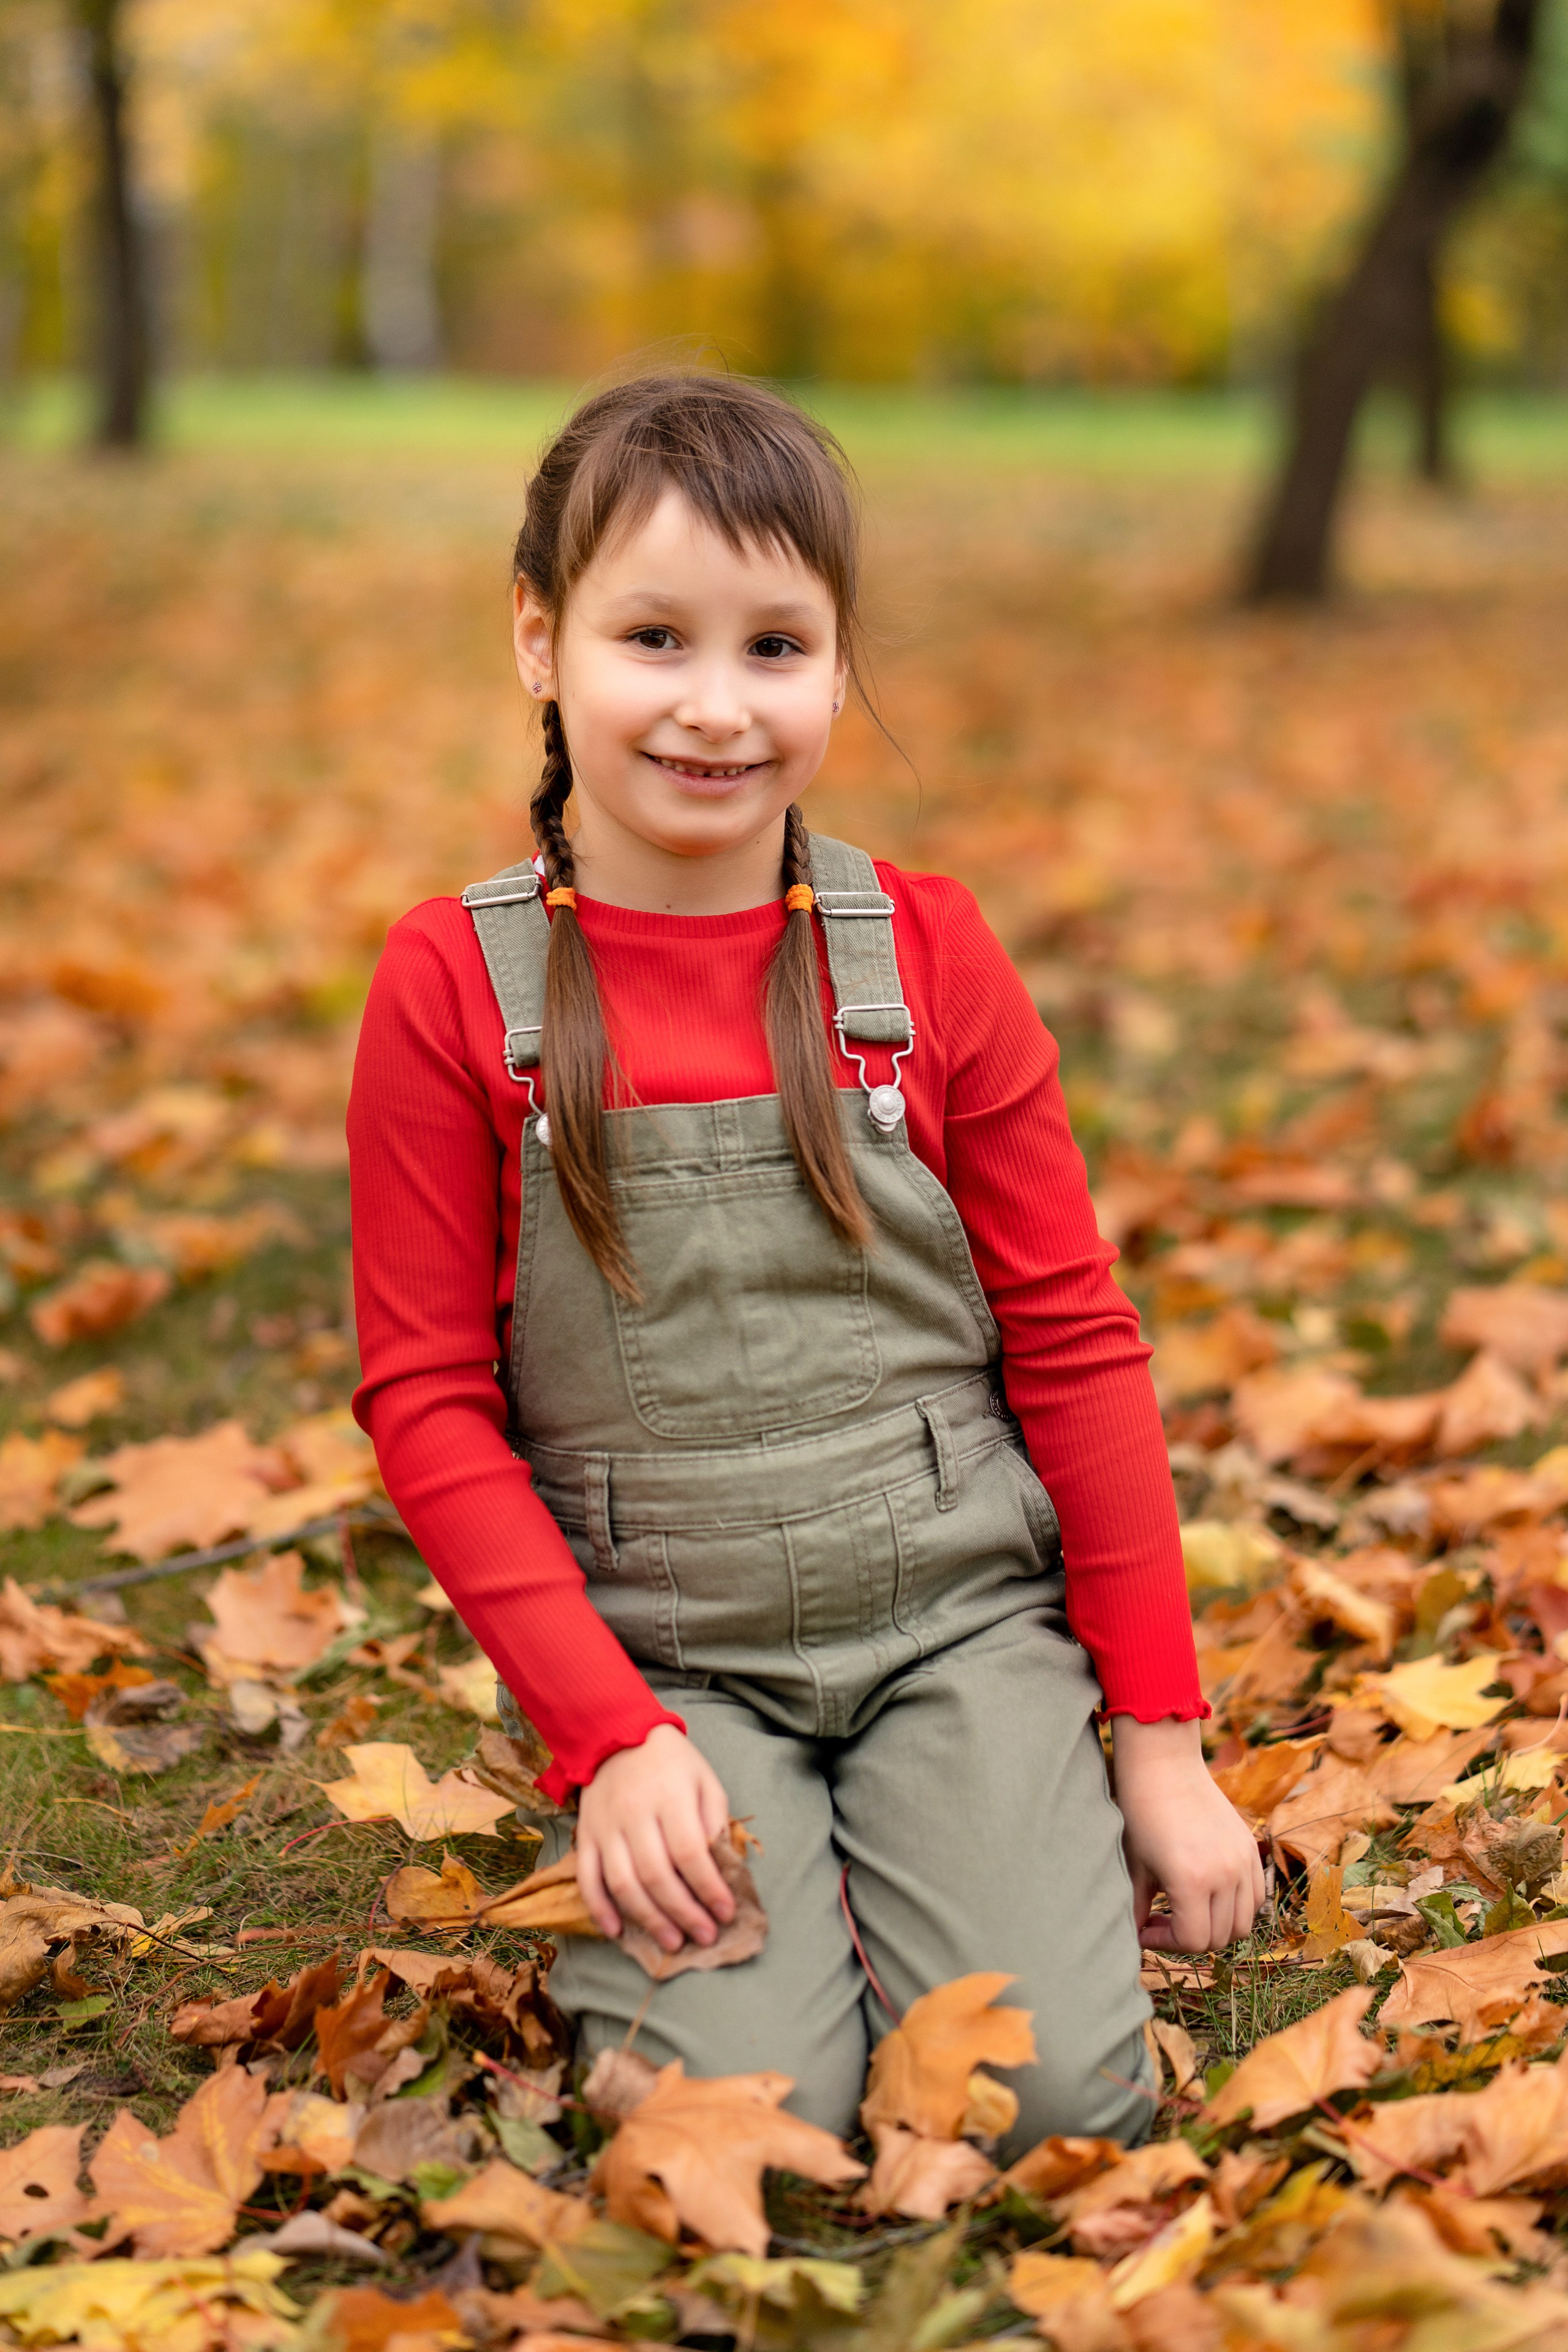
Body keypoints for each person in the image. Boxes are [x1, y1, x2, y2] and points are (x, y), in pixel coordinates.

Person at [348, 371, 1262, 2155]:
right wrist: (607, 1739)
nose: (714, 705)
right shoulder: (455, 988)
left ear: (839, 669)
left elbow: (1075, 1347)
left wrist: (1157, 1742)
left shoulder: (923, 953)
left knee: (1045, 2102)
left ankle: (962, 1819)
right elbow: (431, 1403)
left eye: (777, 648)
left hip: (954, 1622)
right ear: (541, 643)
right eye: (653, 636)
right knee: (736, 2114)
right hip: (665, 1651)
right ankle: (736, 1867)